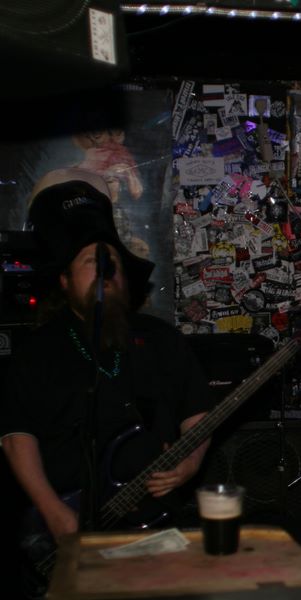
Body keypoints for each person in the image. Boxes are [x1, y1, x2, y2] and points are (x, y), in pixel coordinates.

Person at [0, 170, 212, 594]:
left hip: (155, 528)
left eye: (110, 261)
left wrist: (189, 462)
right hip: (68, 525)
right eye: (89, 262)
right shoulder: (38, 351)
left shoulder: (161, 340)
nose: (104, 270)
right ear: (64, 281)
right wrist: (53, 512)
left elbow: (198, 413)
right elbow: (15, 436)